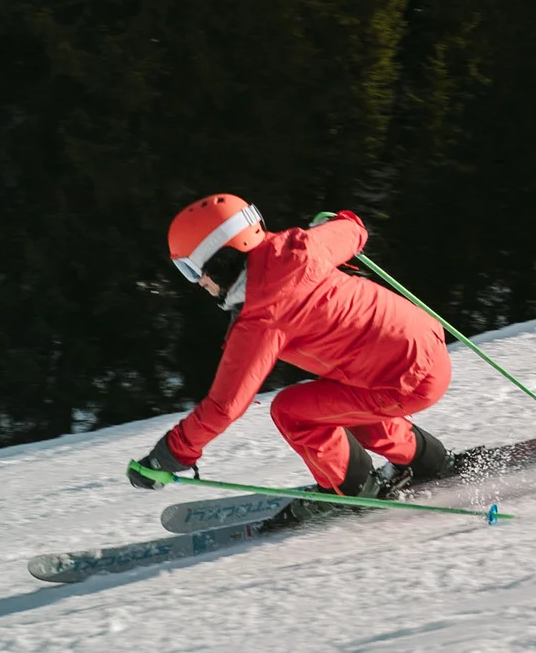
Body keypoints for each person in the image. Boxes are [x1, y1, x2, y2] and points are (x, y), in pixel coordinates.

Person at [127, 194, 456, 505]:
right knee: (336, 401)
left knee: (291, 411)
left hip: (404, 383)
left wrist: (168, 455)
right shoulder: (299, 244)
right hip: (425, 343)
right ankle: (429, 461)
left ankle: (352, 490)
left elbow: (225, 406)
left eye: (191, 270)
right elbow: (354, 231)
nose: (198, 282)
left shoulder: (261, 318)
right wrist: (337, 221)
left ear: (220, 259)